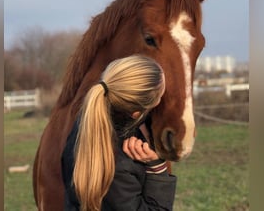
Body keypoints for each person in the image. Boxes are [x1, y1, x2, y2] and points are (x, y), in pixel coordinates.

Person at [61, 55, 177, 211]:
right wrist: (157, 169)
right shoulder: (121, 161)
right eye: (160, 97)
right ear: (136, 112)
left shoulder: (84, 125)